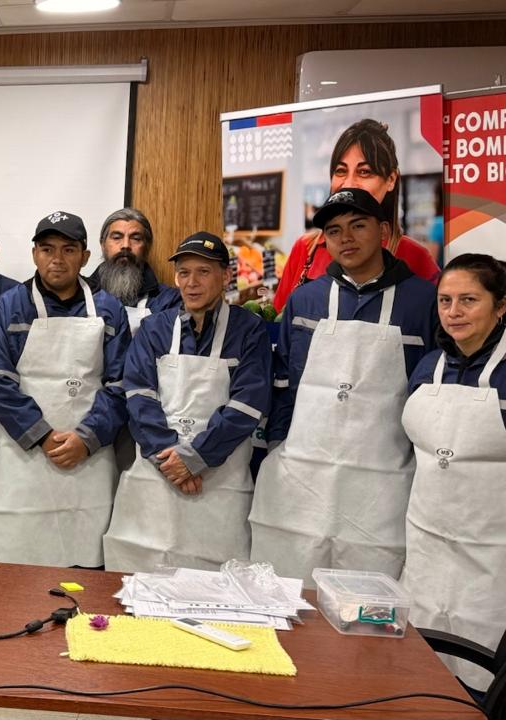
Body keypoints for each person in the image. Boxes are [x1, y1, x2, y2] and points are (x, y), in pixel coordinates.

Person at [249, 189, 437, 585]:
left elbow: (431, 398)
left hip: (382, 486)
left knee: (369, 596)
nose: (345, 238)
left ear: (383, 231)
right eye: (334, 231)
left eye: (357, 226)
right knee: (293, 589)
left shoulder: (424, 302)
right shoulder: (306, 300)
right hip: (303, 480)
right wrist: (280, 447)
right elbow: (282, 383)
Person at [103, 233, 270, 572]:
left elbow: (247, 405)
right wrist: (170, 458)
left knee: (215, 584)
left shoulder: (249, 330)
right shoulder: (154, 329)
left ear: (226, 276)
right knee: (139, 580)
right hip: (156, 478)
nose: (192, 283)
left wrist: (196, 458)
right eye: (184, 273)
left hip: (219, 483)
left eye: (203, 272)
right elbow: (138, 395)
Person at [0, 211, 130, 568]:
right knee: (18, 565)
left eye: (68, 250)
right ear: (34, 254)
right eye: (47, 249)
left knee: (86, 566)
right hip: (25, 457)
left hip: (89, 459)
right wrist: (43, 436)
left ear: (85, 257)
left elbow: (121, 384)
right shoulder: (9, 307)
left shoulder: (109, 310)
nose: (57, 259)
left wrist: (86, 438)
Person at [401, 253, 506, 692]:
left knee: (482, 672)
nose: (454, 312)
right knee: (419, 671)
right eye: (445, 301)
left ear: (501, 306)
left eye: (469, 300)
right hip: (426, 543)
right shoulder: (428, 366)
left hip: (492, 553)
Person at [272, 118, 441, 312]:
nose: (349, 183)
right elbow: (280, 318)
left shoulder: (415, 257)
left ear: (391, 179)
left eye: (365, 172)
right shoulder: (306, 248)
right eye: (341, 171)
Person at [89, 208, 182, 335]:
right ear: (103, 245)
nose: (126, 245)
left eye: (136, 238)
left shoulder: (168, 301)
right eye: (117, 237)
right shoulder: (83, 294)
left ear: (147, 246)